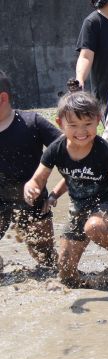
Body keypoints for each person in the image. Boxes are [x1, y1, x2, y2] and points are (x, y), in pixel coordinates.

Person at [23, 91, 108, 287]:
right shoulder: (56, 149)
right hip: (79, 208)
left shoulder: (103, 150)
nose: (81, 132)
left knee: (93, 227)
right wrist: (33, 188)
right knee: (65, 271)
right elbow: (40, 178)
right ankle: (93, 287)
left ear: (98, 121)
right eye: (73, 125)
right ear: (60, 123)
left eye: (87, 125)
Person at [0, 70, 61, 268]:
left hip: (33, 202)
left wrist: (58, 190)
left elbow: (73, 152)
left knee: (46, 260)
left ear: (3, 98)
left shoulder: (32, 123)